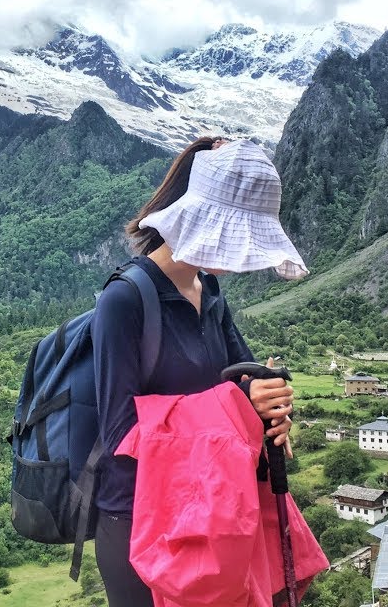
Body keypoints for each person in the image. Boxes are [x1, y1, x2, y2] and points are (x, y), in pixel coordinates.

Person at [91, 136, 309, 606]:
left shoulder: (209, 291)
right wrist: (240, 406)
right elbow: (120, 433)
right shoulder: (124, 301)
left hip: (210, 512)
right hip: (141, 524)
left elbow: (243, 383)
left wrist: (269, 409)